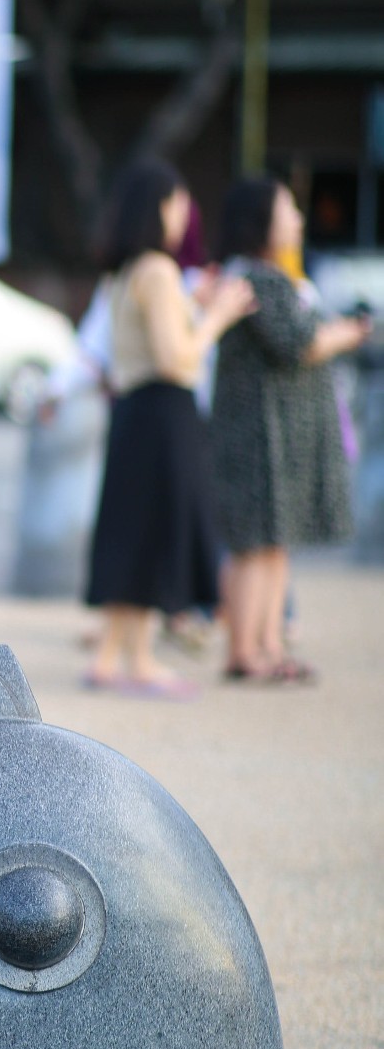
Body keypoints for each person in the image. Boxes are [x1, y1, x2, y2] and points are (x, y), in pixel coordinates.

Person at [84, 159, 255, 695]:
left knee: (135, 532)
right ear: (159, 208)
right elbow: (176, 357)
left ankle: (118, 657)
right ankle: (133, 660)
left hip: (136, 412)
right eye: (179, 204)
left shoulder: (126, 270)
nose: (185, 215)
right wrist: (218, 317)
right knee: (156, 531)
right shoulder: (157, 269)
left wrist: (194, 307)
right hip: (163, 412)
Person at [211, 176, 372, 682]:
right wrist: (347, 333)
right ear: (260, 221)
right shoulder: (257, 279)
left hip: (275, 435)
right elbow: (298, 344)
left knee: (274, 543)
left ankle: (269, 645)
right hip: (259, 436)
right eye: (289, 209)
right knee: (254, 544)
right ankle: (245, 651)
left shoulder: (269, 277)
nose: (299, 219)